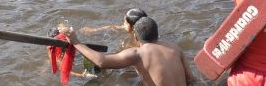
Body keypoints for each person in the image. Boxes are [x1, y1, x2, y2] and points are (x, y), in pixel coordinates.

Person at [61, 17, 191, 86]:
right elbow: (191, 79)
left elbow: (101, 61)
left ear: (135, 37)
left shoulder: (138, 53)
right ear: (156, 33)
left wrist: (75, 41)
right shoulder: (175, 48)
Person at [81, 8, 148, 48]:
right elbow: (112, 27)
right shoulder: (137, 27)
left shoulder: (140, 38)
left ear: (133, 27)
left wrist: (126, 46)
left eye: (125, 22)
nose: (123, 24)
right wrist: (94, 30)